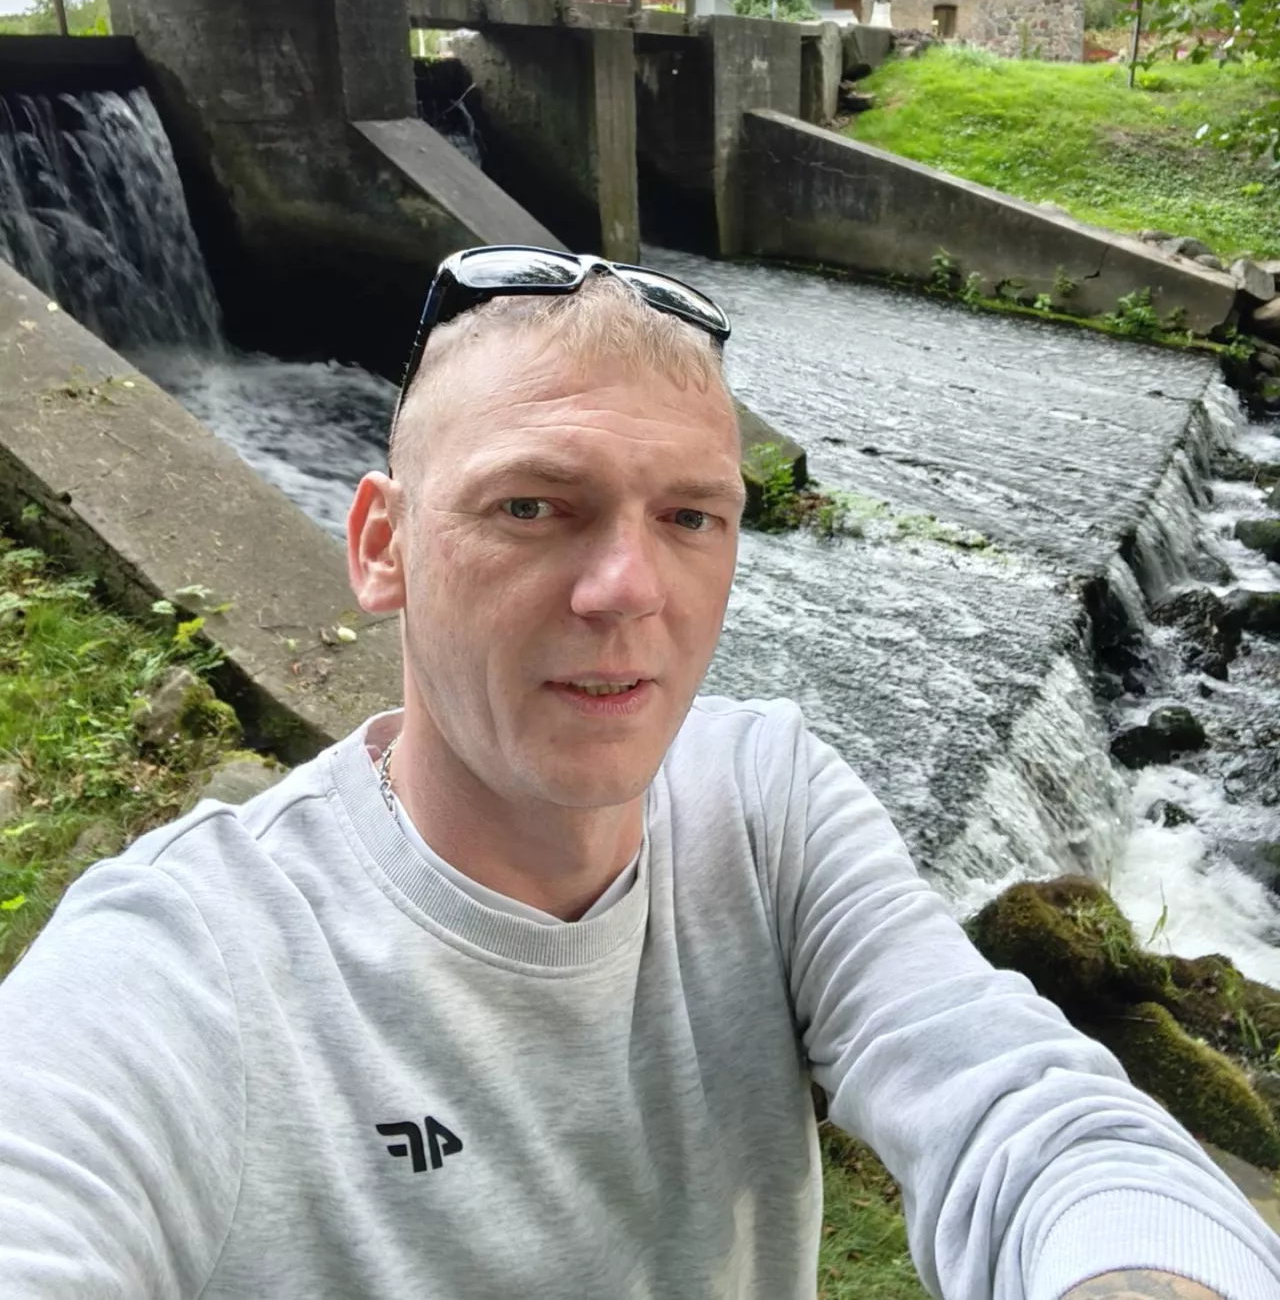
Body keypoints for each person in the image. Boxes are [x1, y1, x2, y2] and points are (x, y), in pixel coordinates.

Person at [0, 245, 1277, 1300]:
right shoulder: (185, 961)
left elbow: (1020, 1111)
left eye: (688, 517)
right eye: (530, 506)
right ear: (382, 546)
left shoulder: (765, 805)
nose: (627, 590)